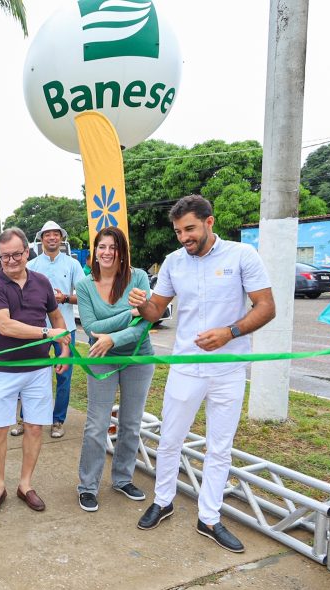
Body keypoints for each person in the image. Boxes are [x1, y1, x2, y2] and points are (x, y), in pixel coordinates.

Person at [128, 195, 275, 553]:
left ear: (210, 222)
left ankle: (209, 517)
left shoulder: (243, 255)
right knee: (169, 439)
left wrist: (231, 332)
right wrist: (142, 304)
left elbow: (266, 307)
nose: (183, 238)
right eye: (178, 231)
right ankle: (162, 501)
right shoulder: (174, 263)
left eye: (190, 229)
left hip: (228, 368)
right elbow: (155, 312)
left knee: (219, 446)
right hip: (186, 367)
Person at [0, 228, 69, 514]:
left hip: (39, 370)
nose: (11, 261)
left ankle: (25, 485)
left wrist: (64, 351)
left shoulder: (42, 282)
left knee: (34, 427)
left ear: (27, 253)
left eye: (16, 254)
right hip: (4, 370)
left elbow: (58, 319)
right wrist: (48, 334)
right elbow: (6, 326)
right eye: (5, 256)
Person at [75, 227, 154, 512]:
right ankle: (87, 486)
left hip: (138, 356)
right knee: (97, 425)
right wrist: (127, 314)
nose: (107, 253)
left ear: (122, 251)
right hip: (101, 356)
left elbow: (145, 323)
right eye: (101, 247)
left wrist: (114, 337)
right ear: (94, 251)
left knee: (131, 424)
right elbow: (92, 327)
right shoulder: (85, 285)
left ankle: (122, 479)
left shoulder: (139, 278)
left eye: (113, 247)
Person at [25, 220, 85, 439]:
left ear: (61, 238)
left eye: (55, 234)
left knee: (64, 376)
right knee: (33, 374)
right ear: (41, 239)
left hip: (64, 328)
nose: (51, 238)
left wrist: (66, 297)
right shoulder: (31, 266)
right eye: (47, 235)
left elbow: (85, 295)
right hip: (37, 329)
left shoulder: (72, 265)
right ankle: (27, 418)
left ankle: (58, 420)